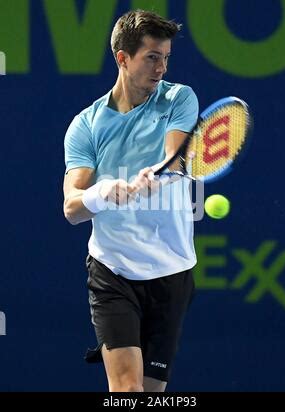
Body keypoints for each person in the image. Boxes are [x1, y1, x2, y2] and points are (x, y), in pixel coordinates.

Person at [63, 9, 199, 392]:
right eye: (152, 57)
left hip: (171, 269)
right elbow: (72, 208)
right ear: (123, 58)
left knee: (152, 392)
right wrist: (103, 193)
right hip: (112, 270)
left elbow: (175, 159)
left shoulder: (179, 98)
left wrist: (152, 175)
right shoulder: (86, 125)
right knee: (126, 390)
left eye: (166, 57)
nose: (161, 68)